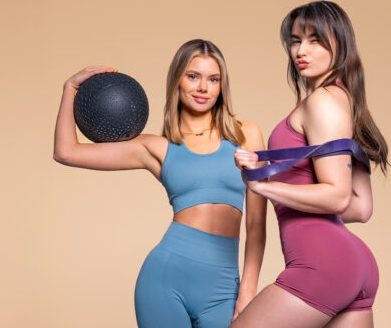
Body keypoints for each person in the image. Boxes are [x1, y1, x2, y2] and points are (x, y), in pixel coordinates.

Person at [53, 39, 267, 327]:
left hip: (223, 288)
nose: (203, 87)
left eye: (213, 79)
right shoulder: (157, 147)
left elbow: (256, 222)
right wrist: (70, 89)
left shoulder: (246, 135)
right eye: (193, 76)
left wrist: (248, 290)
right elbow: (66, 152)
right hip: (165, 280)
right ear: (177, 80)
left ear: (221, 86)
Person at [231, 1, 389, 327]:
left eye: (315, 39)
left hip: (322, 264)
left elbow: (338, 196)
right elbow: (361, 208)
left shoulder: (323, 102)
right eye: (295, 40)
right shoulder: (346, 101)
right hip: (353, 266)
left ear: (340, 43)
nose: (301, 50)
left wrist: (263, 185)